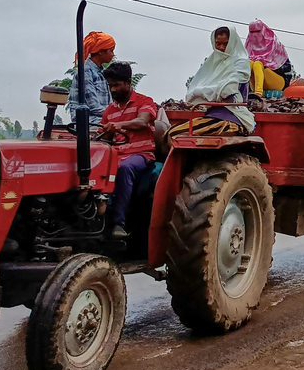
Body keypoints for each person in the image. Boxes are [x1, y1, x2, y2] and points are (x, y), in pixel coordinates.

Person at [99, 62, 158, 240]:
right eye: (110, 86)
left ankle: (119, 223)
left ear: (128, 82)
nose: (113, 90)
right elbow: (106, 140)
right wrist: (108, 133)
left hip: (141, 155)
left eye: (117, 85)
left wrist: (119, 125)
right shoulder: (109, 111)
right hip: (117, 155)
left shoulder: (144, 102)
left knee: (125, 168)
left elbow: (142, 122)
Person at [170, 25, 255, 136]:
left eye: (225, 44)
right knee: (169, 132)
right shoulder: (213, 62)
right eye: (218, 44)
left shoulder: (240, 63)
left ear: (232, 43)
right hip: (214, 114)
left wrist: (199, 93)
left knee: (175, 135)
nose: (221, 48)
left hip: (231, 116)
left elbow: (227, 89)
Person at [65, 31, 117, 128]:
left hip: (101, 119)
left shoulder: (101, 73)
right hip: (89, 121)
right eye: (111, 51)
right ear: (100, 52)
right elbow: (94, 107)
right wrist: (116, 115)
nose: (113, 54)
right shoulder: (85, 72)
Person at [245, 19, 295, 96]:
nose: (255, 35)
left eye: (258, 31)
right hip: (254, 84)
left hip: (279, 82)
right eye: (252, 32)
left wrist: (266, 64)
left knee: (257, 64)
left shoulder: (275, 46)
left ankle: (259, 93)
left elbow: (287, 71)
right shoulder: (248, 47)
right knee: (249, 63)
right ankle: (242, 90)